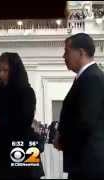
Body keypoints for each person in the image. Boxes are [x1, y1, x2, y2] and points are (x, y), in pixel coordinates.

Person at [53, 33, 104, 178]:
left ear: (81, 52)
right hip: (84, 161)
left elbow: (86, 122)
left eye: (67, 51)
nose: (64, 56)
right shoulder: (86, 77)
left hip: (89, 163)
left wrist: (62, 139)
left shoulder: (92, 78)